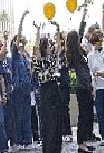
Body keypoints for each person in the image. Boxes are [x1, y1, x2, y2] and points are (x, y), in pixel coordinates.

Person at [34, 21, 63, 153]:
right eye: (48, 45)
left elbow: (59, 46)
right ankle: (49, 148)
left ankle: (56, 147)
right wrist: (38, 31)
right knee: (48, 119)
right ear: (44, 47)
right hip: (45, 88)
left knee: (57, 118)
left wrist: (58, 27)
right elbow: (36, 48)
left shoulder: (53, 58)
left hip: (54, 87)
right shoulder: (40, 60)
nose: (50, 47)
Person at [66, 30, 95, 152]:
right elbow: (76, 73)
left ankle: (84, 141)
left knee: (88, 113)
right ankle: (80, 143)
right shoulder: (73, 54)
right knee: (83, 114)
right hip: (81, 87)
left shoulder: (79, 51)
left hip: (86, 85)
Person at [11, 10, 33, 151]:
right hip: (18, 89)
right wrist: (22, 18)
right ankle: (18, 141)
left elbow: (30, 71)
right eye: (19, 41)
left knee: (27, 115)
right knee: (18, 115)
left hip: (27, 87)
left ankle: (27, 140)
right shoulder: (14, 55)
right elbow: (18, 37)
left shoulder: (24, 56)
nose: (22, 42)